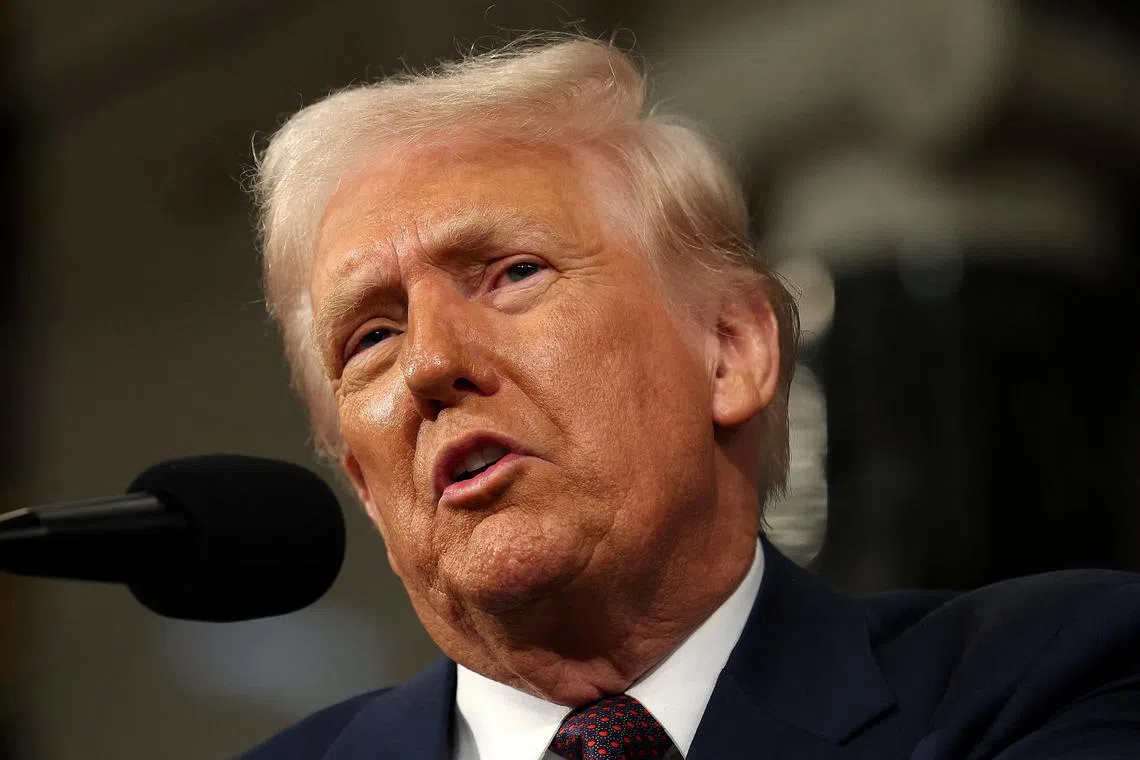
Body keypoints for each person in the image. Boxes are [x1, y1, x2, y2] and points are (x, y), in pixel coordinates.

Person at [241, 35, 1140, 760]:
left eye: (513, 273)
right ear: (365, 485)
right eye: (372, 337)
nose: (431, 362)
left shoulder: (1050, 675)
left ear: (732, 353)